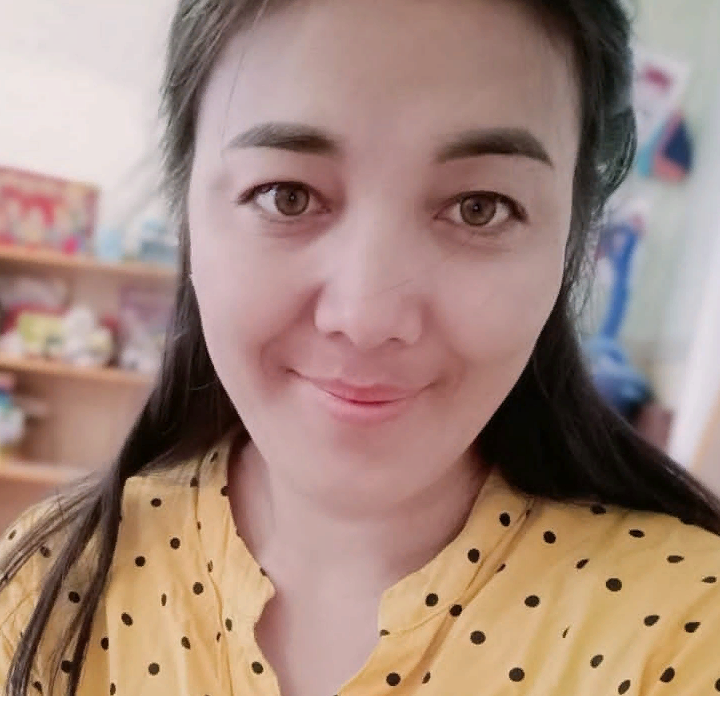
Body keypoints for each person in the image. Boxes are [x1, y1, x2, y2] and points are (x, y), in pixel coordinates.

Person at [1, 0, 720, 697]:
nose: (367, 317)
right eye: (285, 195)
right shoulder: (44, 590)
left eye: (480, 208)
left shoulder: (688, 635)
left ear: (571, 241)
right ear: (187, 207)